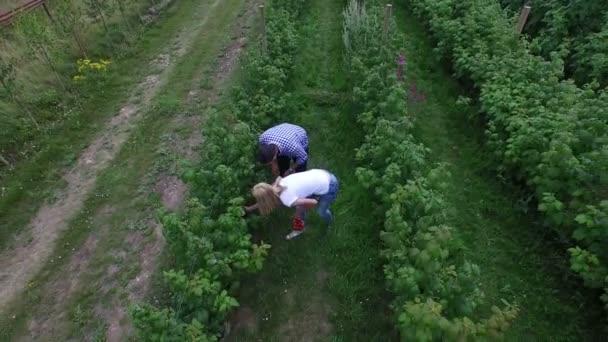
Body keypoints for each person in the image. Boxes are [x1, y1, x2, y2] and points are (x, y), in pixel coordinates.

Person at [245, 169, 339, 240]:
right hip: (321, 173)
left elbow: (313, 203)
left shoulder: (287, 199)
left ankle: (330, 223)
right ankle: (299, 227)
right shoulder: (277, 185)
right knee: (299, 208)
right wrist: (250, 208)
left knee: (320, 211)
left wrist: (300, 211)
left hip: (330, 185)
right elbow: (265, 201)